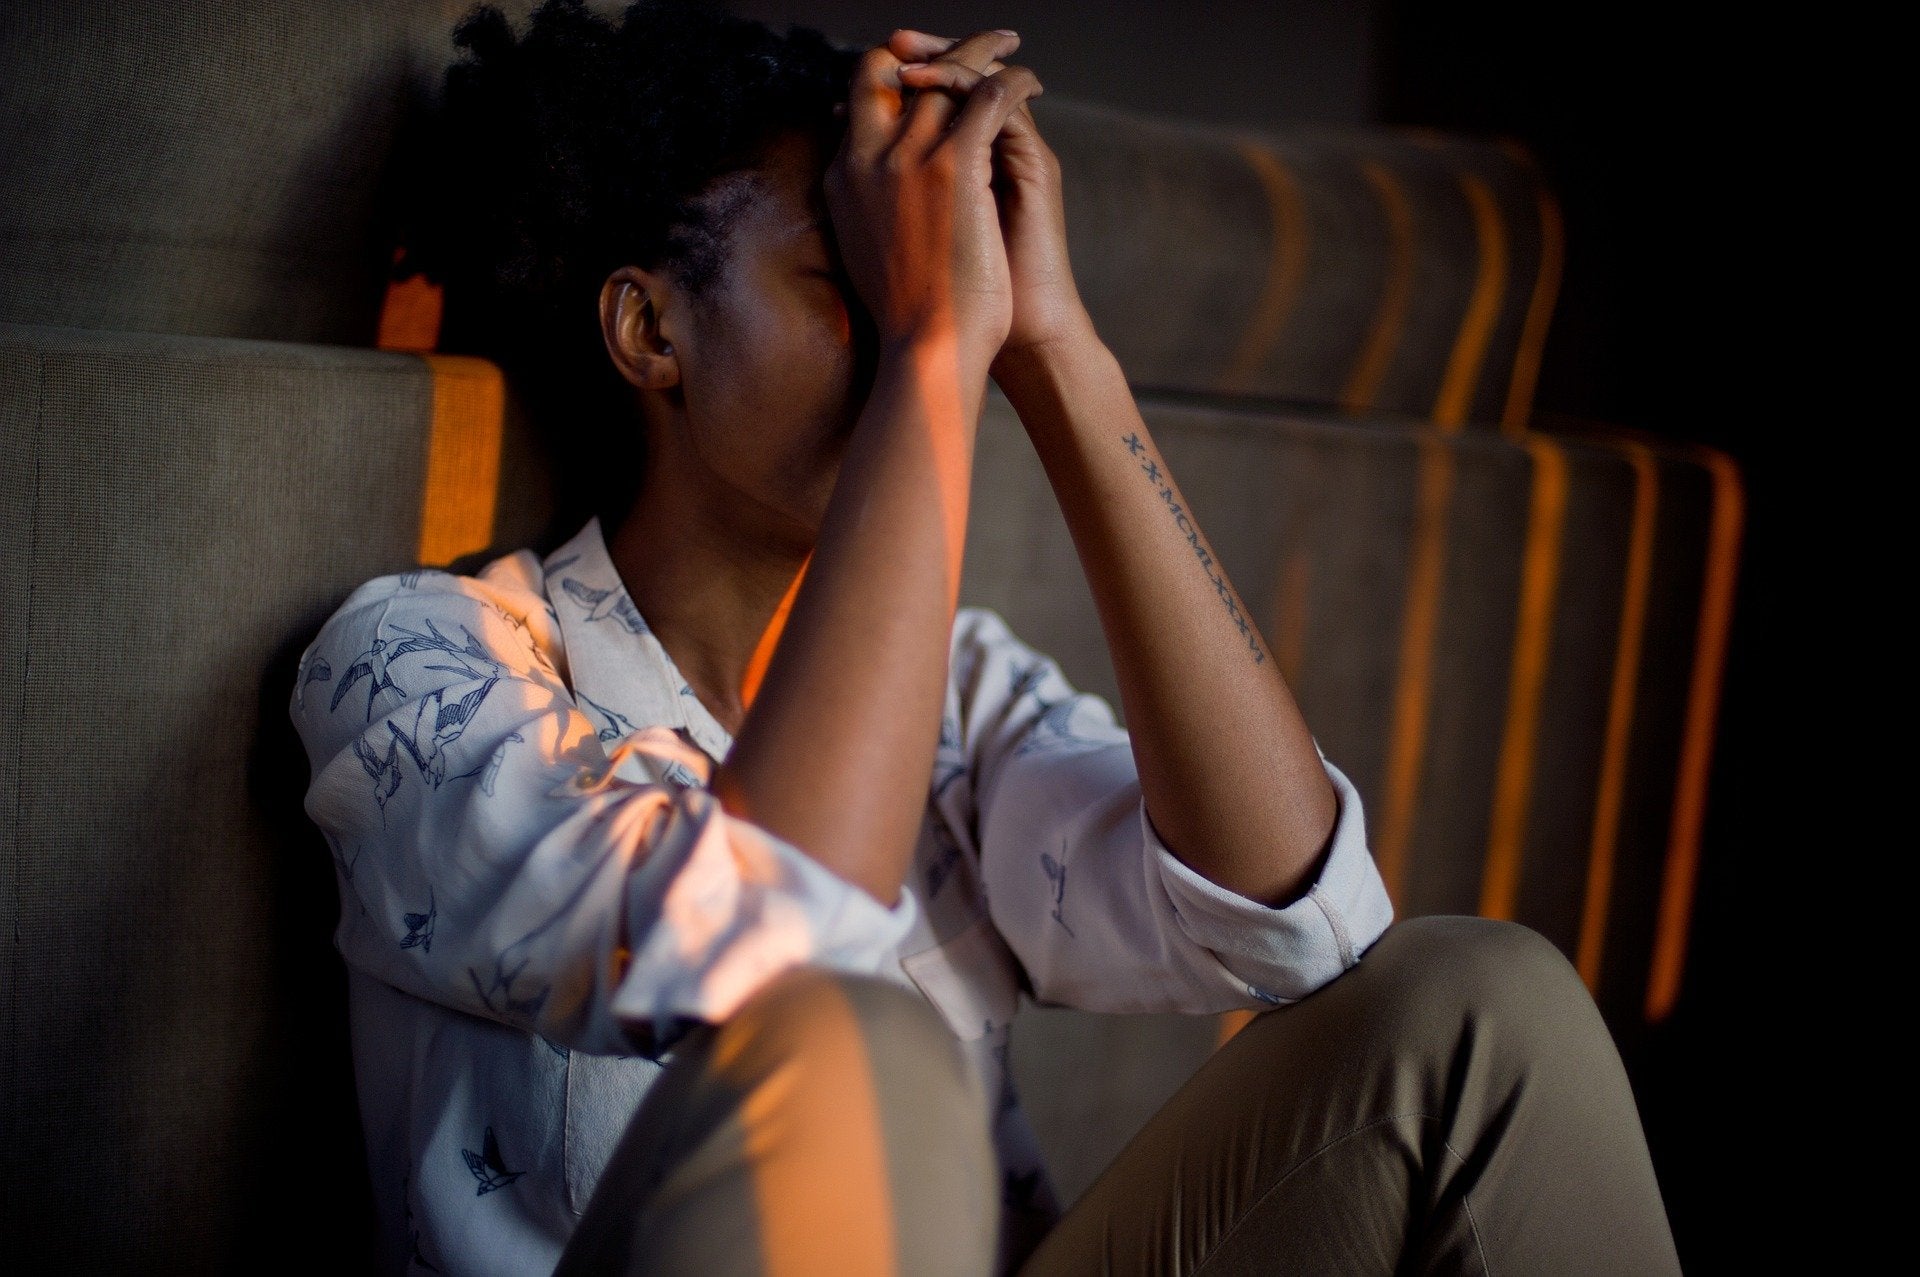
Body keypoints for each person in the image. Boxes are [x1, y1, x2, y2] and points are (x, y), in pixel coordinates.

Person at [289, 1, 1684, 1272]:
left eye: (931, 280)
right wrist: (936, 349)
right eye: (854, 275)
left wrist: (1057, 349)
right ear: (651, 328)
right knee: (852, 1043)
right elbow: (782, 941)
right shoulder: (421, 669)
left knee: (1482, 1006)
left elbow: (1309, 929)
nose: (919, 314)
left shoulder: (961, 689)